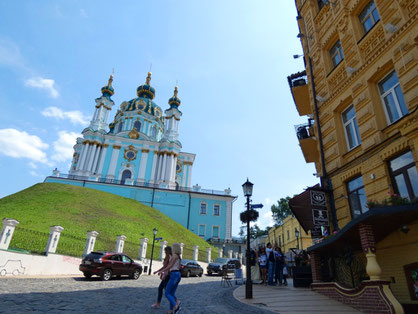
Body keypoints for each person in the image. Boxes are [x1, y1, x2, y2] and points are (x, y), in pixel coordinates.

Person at [157, 243, 182, 314]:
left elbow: (170, 265)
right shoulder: (178, 256)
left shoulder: (174, 255)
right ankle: (170, 311)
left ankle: (176, 307)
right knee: (171, 293)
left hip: (174, 274)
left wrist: (162, 271)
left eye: (173, 247)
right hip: (177, 274)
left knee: (167, 293)